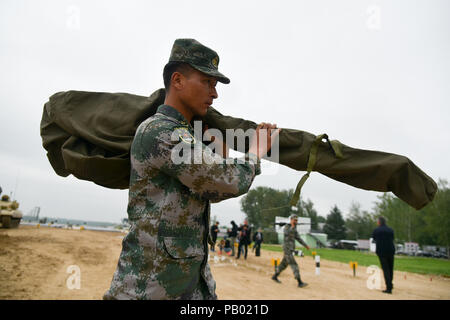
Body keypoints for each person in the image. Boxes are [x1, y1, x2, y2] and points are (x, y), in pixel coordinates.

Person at [103, 38, 280, 300]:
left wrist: (219, 156)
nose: (215, 93)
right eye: (207, 82)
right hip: (148, 292)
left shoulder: (189, 137)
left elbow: (211, 191)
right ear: (177, 81)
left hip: (190, 289)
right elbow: (227, 181)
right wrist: (255, 152)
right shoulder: (159, 131)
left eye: (215, 85)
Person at [272, 214, 310, 288]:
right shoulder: (287, 227)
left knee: (283, 265)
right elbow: (287, 234)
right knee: (294, 265)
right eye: (294, 220)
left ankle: (274, 276)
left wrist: (305, 245)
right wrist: (292, 226)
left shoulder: (294, 228)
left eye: (296, 220)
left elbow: (298, 238)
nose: (296, 221)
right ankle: (299, 282)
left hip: (290, 249)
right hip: (287, 249)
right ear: (291, 220)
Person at [371, 216, 395, 294]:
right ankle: (390, 284)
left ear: (379, 222)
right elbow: (392, 238)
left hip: (382, 252)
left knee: (386, 269)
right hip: (391, 250)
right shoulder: (390, 230)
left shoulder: (376, 230)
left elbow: (374, 239)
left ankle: (389, 288)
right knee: (390, 268)